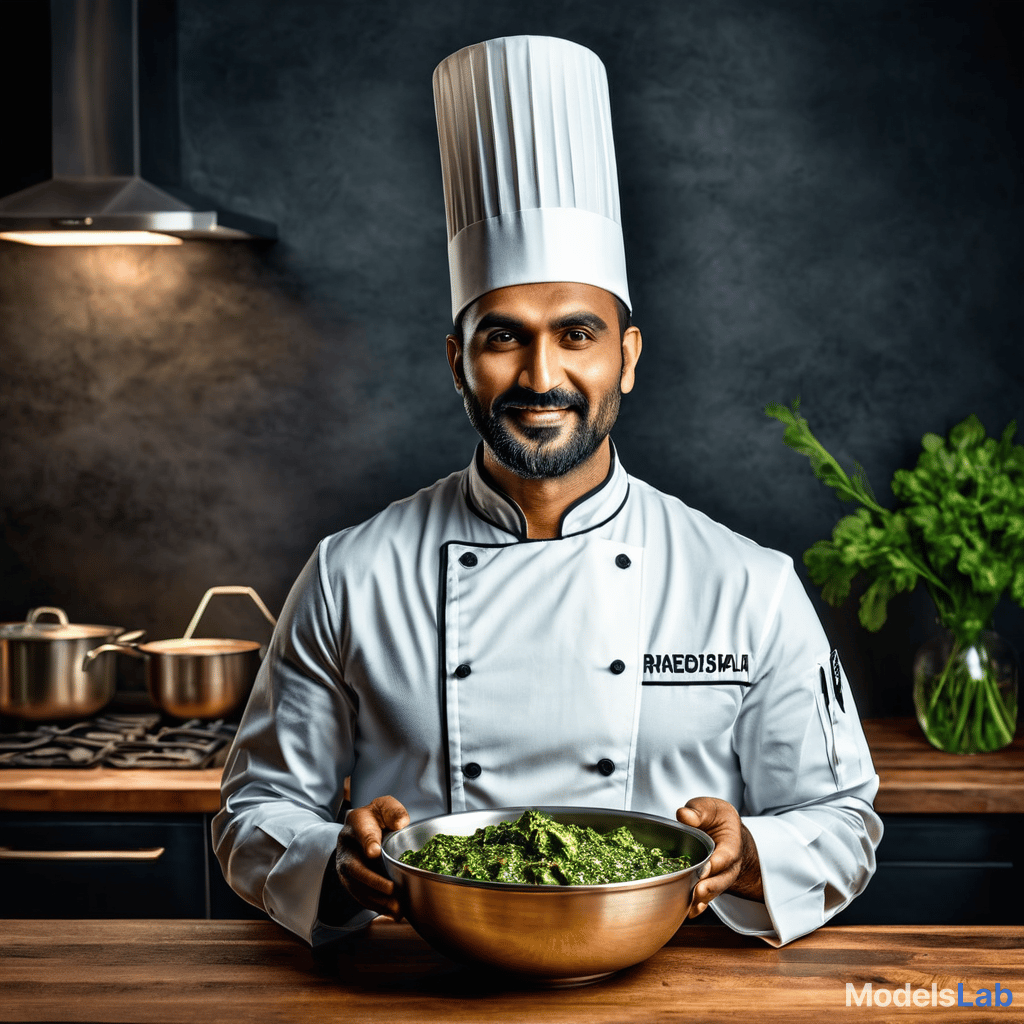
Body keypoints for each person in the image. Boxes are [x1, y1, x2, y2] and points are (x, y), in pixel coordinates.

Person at [212, 35, 881, 949]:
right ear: (458, 363)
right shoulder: (349, 575)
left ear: (627, 359)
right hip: (414, 989)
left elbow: (843, 820)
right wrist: (332, 862)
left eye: (576, 334)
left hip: (669, 988)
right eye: (503, 338)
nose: (541, 375)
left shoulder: (746, 584)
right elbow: (256, 811)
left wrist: (749, 853)